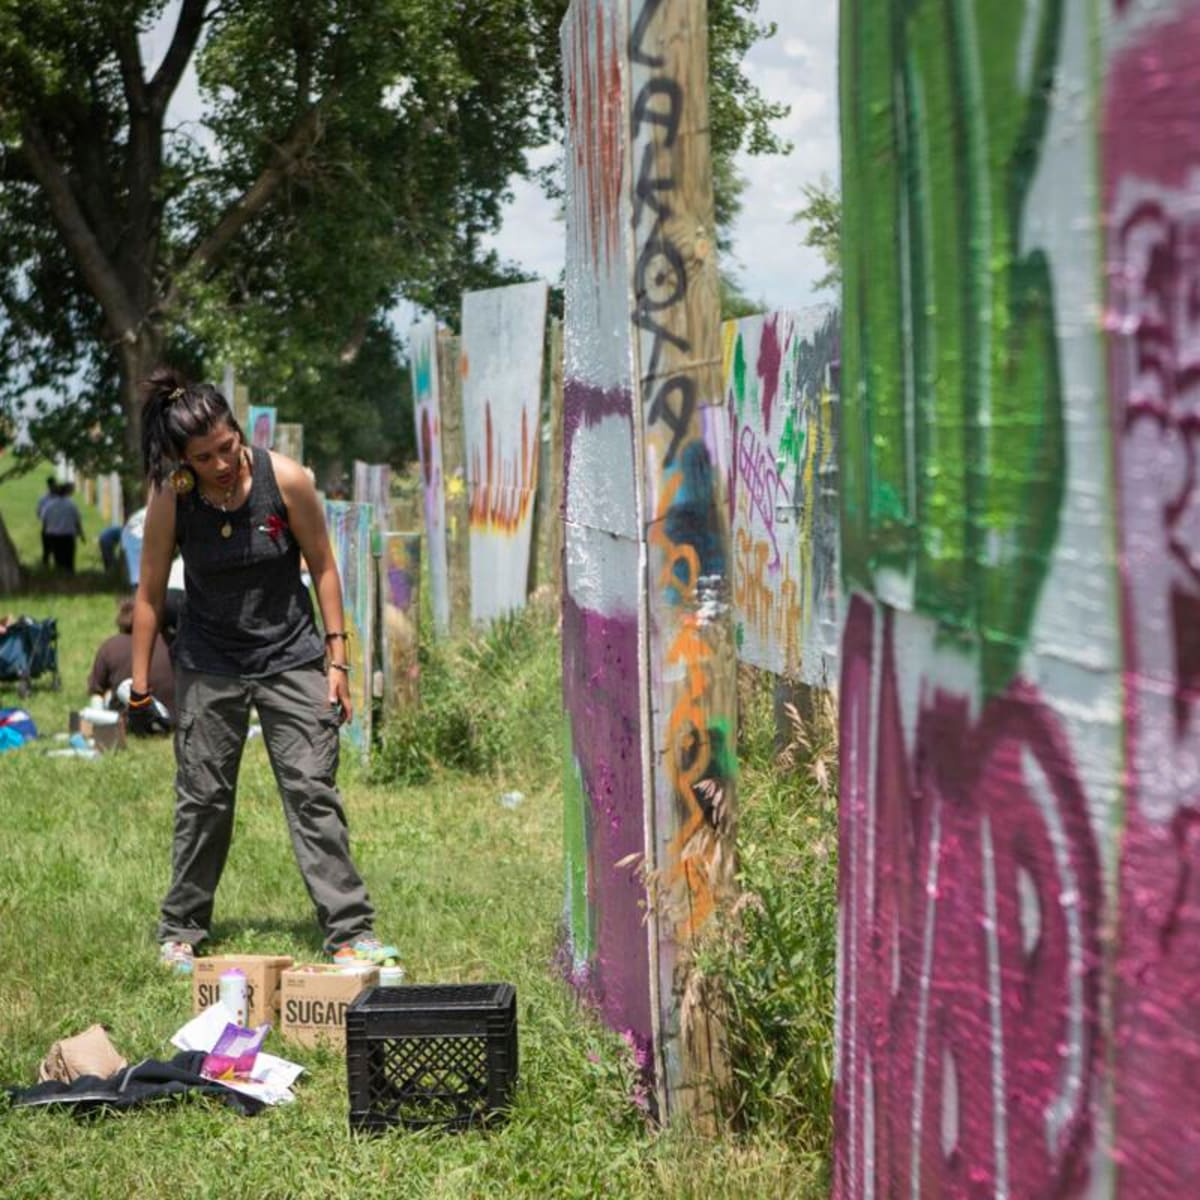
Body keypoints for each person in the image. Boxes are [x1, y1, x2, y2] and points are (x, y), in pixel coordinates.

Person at [130, 367, 395, 975]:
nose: (222, 463)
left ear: (237, 432)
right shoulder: (173, 496)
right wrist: (141, 685)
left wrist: (339, 660)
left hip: (292, 655)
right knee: (203, 800)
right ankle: (181, 929)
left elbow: (325, 567)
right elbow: (147, 595)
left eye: (227, 447)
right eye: (205, 457)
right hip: (209, 660)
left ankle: (351, 932)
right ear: (183, 459)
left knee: (311, 790)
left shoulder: (288, 481)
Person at [88, 596, 175, 718]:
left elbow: (96, 692)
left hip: (130, 717)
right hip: (173, 716)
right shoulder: (171, 642)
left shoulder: (110, 646)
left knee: (107, 696)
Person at [42, 481, 83, 573]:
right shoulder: (72, 505)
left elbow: (44, 518)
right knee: (69, 558)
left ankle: (59, 574)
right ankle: (69, 575)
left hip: (53, 535)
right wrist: (80, 533)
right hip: (68, 536)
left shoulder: (49, 505)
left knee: (58, 558)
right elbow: (77, 520)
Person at [37, 476, 58, 566]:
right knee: (46, 550)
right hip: (48, 526)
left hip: (56, 526)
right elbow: (39, 514)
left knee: (57, 550)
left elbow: (39, 513)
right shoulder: (43, 499)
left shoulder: (45, 499)